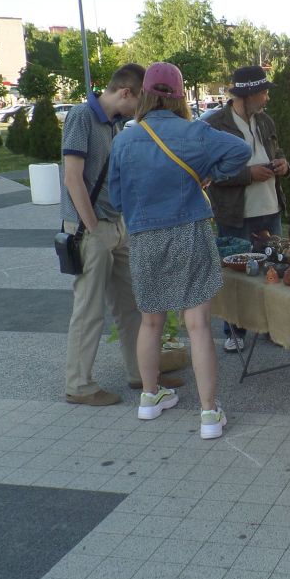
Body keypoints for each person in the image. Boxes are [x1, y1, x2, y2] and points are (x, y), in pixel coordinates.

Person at [109, 62, 251, 436]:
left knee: (150, 321)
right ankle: (208, 414)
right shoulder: (196, 132)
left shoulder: (124, 140)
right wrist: (210, 175)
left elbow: (116, 198)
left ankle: (149, 398)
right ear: (179, 96)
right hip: (189, 230)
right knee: (198, 324)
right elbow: (240, 151)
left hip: (144, 237)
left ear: (145, 94)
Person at [61, 63, 185, 406]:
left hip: (116, 225)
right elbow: (72, 178)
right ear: (126, 92)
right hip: (91, 229)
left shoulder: (115, 122)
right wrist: (93, 228)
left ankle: (142, 374)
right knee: (89, 310)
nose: (143, 109)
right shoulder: (81, 116)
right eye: (141, 100)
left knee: (133, 305)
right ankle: (79, 386)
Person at [204, 65, 290, 352]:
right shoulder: (215, 124)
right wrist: (247, 174)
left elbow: (277, 152)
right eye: (263, 92)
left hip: (270, 207)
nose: (267, 97)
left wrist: (283, 165)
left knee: (273, 270)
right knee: (237, 276)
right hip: (235, 213)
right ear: (247, 94)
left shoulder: (265, 121)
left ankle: (271, 328)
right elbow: (209, 173)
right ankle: (234, 331)